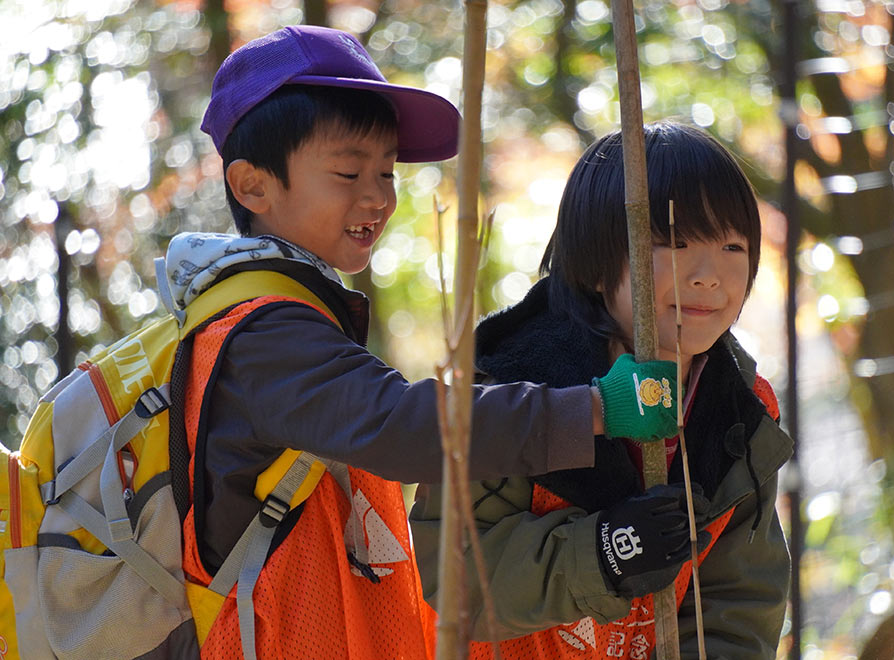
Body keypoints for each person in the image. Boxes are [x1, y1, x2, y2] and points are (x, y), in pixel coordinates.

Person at [163, 26, 681, 660]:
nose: (379, 195)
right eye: (349, 171)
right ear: (252, 186)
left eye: (386, 171)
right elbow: (407, 429)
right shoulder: (262, 334)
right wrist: (597, 409)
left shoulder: (282, 313)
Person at [410, 122, 794, 659]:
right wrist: (605, 553)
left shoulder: (740, 413)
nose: (710, 275)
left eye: (733, 245)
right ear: (594, 264)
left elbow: (739, 602)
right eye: (674, 243)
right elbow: (453, 578)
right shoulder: (510, 390)